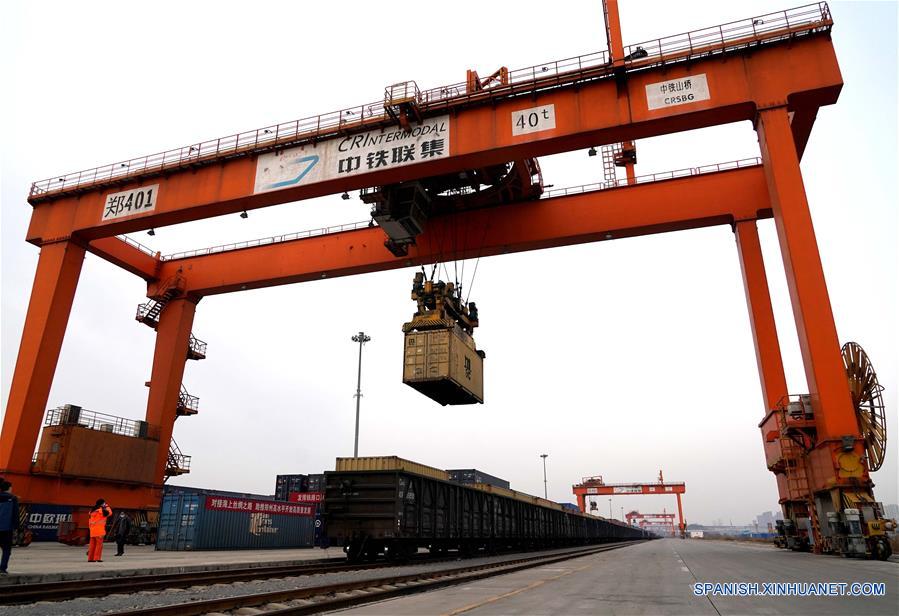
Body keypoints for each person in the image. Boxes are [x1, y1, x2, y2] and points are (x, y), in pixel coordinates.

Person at [0, 480, 19, 575]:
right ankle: (2, 568)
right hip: (6, 528)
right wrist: (16, 527)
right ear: (9, 488)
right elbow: (15, 514)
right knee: (6, 549)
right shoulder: (13, 498)